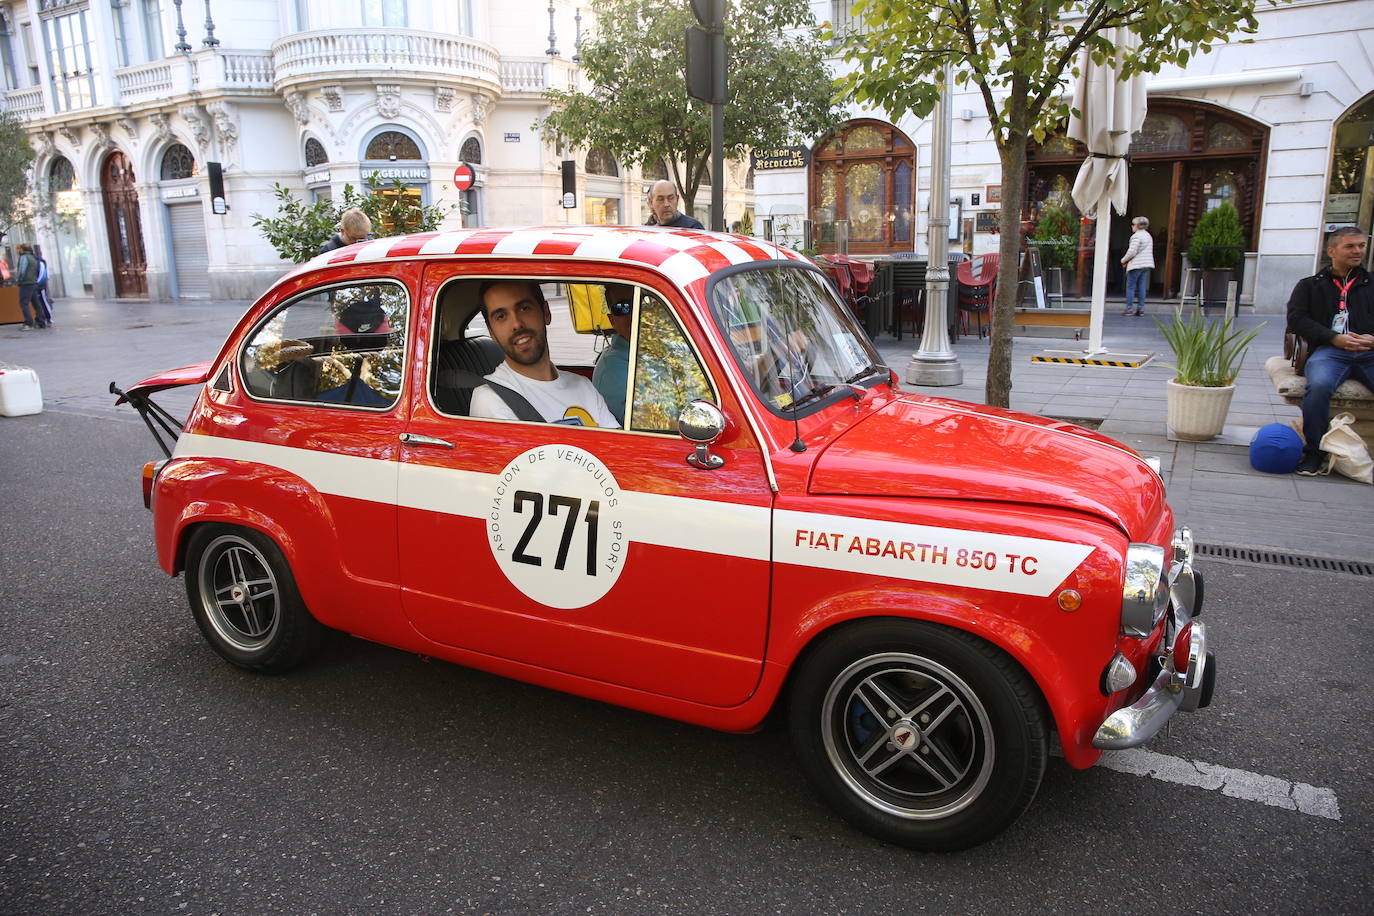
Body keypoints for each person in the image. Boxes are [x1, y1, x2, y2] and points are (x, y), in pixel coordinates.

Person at [469, 280, 619, 427]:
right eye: (501, 316)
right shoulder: (491, 399)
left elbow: (616, 445)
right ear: (491, 332)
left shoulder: (583, 386)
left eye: (524, 308)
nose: (516, 324)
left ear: (546, 313)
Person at [1286, 226, 1373, 476]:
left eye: (1361, 246)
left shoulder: (1371, 284)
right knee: (1319, 386)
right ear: (1332, 251)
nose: (1357, 251)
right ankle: (1315, 452)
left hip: (1369, 352)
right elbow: (1297, 319)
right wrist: (1334, 338)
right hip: (1330, 351)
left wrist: (1371, 340)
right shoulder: (1311, 286)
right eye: (1350, 246)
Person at [592, 285, 634, 425]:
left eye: (642, 302)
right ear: (612, 320)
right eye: (622, 307)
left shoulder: (657, 351)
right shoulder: (613, 369)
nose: (634, 312)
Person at [1120, 216, 1154, 316]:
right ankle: (1141, 309)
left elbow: (1132, 252)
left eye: (1133, 224)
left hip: (1136, 265)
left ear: (1137, 226)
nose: (1132, 226)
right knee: (1142, 287)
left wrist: (1123, 260)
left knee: (1130, 287)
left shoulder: (1136, 236)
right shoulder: (1148, 235)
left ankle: (1129, 309)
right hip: (1146, 264)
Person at [14, 243, 46, 330]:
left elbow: (22, 271)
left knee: (24, 303)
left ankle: (28, 323)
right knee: (36, 303)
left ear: (22, 249)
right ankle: (41, 322)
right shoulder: (33, 257)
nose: (17, 251)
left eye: (19, 249)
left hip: (26, 283)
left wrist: (19, 281)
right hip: (33, 283)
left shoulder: (24, 257)